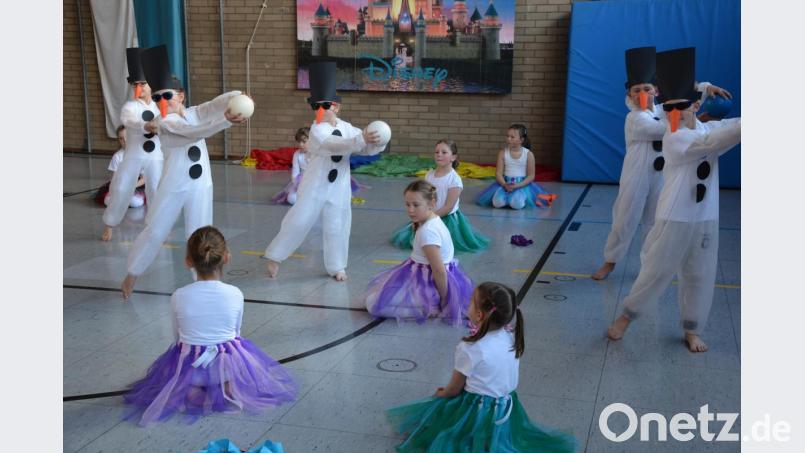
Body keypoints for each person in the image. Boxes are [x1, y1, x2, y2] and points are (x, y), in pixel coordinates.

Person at [607, 47, 741, 353]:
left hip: (705, 217)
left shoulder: (706, 126)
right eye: (668, 109)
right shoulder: (675, 137)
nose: (672, 115)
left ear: (694, 105)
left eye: (680, 108)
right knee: (656, 269)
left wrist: (706, 89)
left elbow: (724, 128)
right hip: (674, 217)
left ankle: (692, 328)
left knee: (700, 272)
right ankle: (627, 317)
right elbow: (714, 140)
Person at [123, 226, 298, 426]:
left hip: (193, 368)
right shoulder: (235, 293)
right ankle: (227, 388)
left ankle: (193, 390)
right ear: (227, 257)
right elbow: (236, 333)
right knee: (242, 365)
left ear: (188, 261)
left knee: (176, 378)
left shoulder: (179, 295)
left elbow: (177, 337)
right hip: (227, 367)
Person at [592, 47, 733, 280]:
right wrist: (696, 119)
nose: (642, 93)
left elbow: (681, 96)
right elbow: (664, 129)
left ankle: (648, 266)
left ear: (656, 90)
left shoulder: (663, 109)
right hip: (636, 175)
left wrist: (706, 88)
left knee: (654, 222)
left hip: (661, 175)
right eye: (636, 90)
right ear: (629, 96)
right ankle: (610, 260)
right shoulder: (635, 118)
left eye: (647, 89)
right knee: (625, 217)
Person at [386, 282, 577, 452]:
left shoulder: (470, 348)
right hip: (507, 405)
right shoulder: (509, 336)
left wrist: (440, 394)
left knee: (444, 414)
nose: (467, 304)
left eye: (470, 302)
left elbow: (453, 389)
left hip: (477, 409)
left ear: (479, 314)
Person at [122, 45, 246, 299]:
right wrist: (225, 120)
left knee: (200, 232)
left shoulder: (194, 113)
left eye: (166, 96)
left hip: (201, 185)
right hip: (173, 186)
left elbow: (213, 105)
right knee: (155, 229)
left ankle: (204, 283)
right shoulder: (164, 123)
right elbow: (194, 133)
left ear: (180, 95)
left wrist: (236, 97)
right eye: (156, 99)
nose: (161, 102)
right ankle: (133, 272)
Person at [263, 61, 385, 281]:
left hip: (339, 186)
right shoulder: (316, 130)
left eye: (325, 105)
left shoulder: (348, 128)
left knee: (337, 224)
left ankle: (337, 266)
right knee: (299, 220)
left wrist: (376, 141)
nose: (320, 110)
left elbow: (365, 148)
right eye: (316, 106)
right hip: (315, 185)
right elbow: (333, 146)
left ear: (336, 106)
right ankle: (275, 256)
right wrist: (360, 139)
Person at [365, 180, 473, 326]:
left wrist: (444, 300)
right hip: (422, 273)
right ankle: (427, 303)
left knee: (373, 304)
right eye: (407, 204)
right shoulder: (431, 221)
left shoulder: (429, 232)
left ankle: (430, 305)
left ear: (431, 203)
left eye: (416, 205)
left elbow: (439, 271)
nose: (410, 210)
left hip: (429, 281)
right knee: (377, 296)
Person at [101, 47, 163, 241]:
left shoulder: (159, 107)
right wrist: (147, 125)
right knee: (120, 187)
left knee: (156, 190)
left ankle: (156, 227)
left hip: (156, 156)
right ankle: (110, 223)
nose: (140, 88)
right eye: (137, 84)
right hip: (134, 155)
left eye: (143, 84)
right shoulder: (130, 107)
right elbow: (130, 122)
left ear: (151, 85)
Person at [391, 139, 489, 253]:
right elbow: (424, 198)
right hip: (429, 214)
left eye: (444, 152)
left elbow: (448, 207)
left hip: (447, 218)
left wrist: (429, 218)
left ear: (453, 157)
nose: (439, 155)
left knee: (440, 242)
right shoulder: (429, 175)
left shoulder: (454, 180)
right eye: (437, 152)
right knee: (418, 240)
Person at [272, 126, 365, 205]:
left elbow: (325, 170)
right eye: (299, 142)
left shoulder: (318, 153)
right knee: (291, 199)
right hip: (303, 181)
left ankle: (316, 199)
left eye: (304, 142)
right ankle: (309, 199)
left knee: (329, 197)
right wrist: (298, 184)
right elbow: (295, 173)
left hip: (319, 179)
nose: (301, 145)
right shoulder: (297, 155)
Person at [475, 124, 556, 210]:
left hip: (522, 184)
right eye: (508, 136)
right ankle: (507, 198)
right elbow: (498, 173)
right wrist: (504, 184)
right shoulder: (503, 153)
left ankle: (515, 198)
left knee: (516, 204)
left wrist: (518, 185)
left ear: (521, 140)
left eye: (512, 137)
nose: (508, 139)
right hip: (506, 183)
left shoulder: (528, 154)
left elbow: (531, 176)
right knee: (497, 203)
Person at [95, 125, 146, 209]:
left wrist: (131, 186)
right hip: (122, 183)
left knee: (135, 202)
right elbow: (115, 177)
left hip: (137, 184)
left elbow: (144, 179)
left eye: (127, 137)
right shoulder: (117, 156)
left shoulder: (142, 155)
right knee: (107, 201)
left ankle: (127, 200)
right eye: (121, 138)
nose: (125, 141)